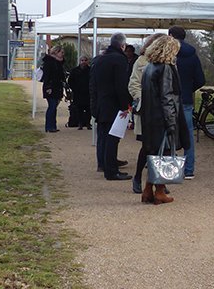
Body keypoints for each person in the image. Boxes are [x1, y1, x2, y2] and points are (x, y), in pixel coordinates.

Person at [139, 35, 189, 205]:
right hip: (162, 117)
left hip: (150, 117)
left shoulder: (149, 67)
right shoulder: (166, 68)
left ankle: (147, 189)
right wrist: (171, 122)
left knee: (154, 154)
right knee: (164, 155)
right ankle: (159, 191)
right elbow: (167, 97)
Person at [89, 32, 132, 181]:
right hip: (113, 105)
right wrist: (125, 105)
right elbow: (121, 85)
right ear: (122, 45)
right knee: (112, 138)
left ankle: (105, 163)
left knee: (104, 136)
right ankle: (111, 171)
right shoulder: (120, 60)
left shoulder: (100, 60)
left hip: (101, 103)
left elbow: (93, 84)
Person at [128, 33, 166, 195]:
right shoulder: (141, 61)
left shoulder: (167, 63)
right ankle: (137, 177)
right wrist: (142, 99)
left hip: (162, 110)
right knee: (147, 147)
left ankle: (158, 181)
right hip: (146, 110)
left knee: (163, 147)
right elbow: (133, 84)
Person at [168, 26, 205, 178]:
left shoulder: (168, 54)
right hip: (186, 99)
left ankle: (169, 169)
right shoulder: (192, 55)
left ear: (171, 36)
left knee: (168, 133)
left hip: (169, 99)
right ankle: (189, 170)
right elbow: (201, 79)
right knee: (188, 134)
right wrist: (189, 89)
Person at [41, 45, 66, 133]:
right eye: (61, 52)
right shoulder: (49, 62)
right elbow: (47, 76)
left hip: (57, 87)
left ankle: (52, 125)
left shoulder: (58, 63)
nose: (63, 54)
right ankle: (49, 126)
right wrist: (48, 87)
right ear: (56, 52)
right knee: (52, 106)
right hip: (51, 87)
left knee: (54, 106)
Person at [67, 55, 92, 129]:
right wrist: (74, 89)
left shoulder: (90, 70)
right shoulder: (75, 70)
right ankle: (80, 123)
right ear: (79, 61)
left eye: (85, 60)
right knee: (79, 109)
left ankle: (87, 123)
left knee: (88, 109)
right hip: (78, 93)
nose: (83, 62)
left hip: (88, 93)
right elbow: (70, 81)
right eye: (82, 60)